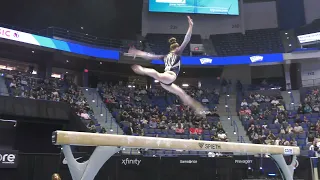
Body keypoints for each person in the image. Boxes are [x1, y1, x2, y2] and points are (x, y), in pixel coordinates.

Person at [128, 16, 206, 116]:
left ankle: (197, 107)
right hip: (169, 77)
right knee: (161, 78)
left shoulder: (164, 56)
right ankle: (142, 69)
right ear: (176, 48)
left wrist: (137, 52)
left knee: (180, 92)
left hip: (165, 82)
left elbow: (149, 56)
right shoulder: (177, 52)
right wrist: (190, 26)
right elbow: (186, 40)